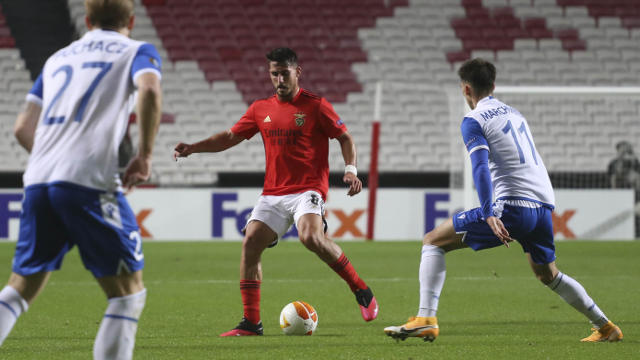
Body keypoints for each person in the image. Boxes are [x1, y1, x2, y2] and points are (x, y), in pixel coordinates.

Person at [384, 58, 623, 343]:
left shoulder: (474, 120)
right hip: (542, 206)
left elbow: (481, 167)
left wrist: (488, 211)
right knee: (548, 274)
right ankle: (606, 327)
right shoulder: (515, 114)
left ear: (466, 89)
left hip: (512, 206)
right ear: (493, 85)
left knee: (433, 241)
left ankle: (425, 318)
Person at [173, 47, 378, 336]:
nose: (279, 79)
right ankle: (251, 323)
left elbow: (344, 136)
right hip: (273, 193)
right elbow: (230, 137)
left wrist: (351, 169)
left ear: (297, 72)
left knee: (310, 237)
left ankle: (360, 289)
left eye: (285, 73)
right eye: (274, 74)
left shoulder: (316, 106)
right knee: (251, 243)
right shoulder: (260, 109)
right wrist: (194, 148)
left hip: (308, 188)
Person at [0, 0, 162, 358]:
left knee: (19, 287)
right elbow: (149, 89)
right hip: (88, 182)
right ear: (131, 21)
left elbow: (22, 127)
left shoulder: (58, 59)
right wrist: (145, 156)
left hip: (39, 180)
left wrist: (55, 164)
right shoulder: (137, 50)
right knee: (127, 293)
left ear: (87, 20)